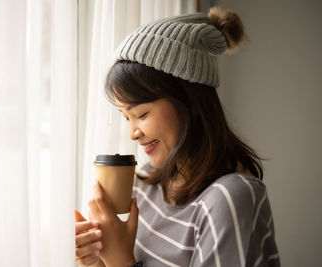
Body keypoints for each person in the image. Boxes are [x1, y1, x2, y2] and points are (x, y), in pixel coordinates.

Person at [75, 7, 280, 267]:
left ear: (190, 102)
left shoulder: (228, 200)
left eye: (142, 113)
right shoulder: (143, 184)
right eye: (126, 117)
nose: (133, 133)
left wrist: (120, 261)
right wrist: (94, 262)